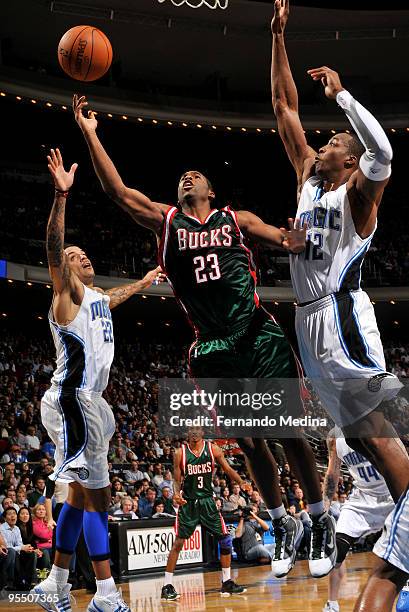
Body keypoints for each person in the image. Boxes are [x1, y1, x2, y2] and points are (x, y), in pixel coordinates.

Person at [73, 93, 336, 580]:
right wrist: (91, 134)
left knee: (287, 430)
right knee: (252, 443)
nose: (186, 176)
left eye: (195, 175)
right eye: (182, 177)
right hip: (212, 347)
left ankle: (319, 520)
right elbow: (119, 193)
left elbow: (287, 240)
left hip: (255, 332)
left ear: (211, 191)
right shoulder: (167, 221)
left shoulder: (237, 219)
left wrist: (302, 232)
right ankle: (284, 525)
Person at [271, 0, 409, 501]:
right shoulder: (309, 179)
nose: (321, 145)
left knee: (371, 424)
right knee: (355, 434)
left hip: (341, 312)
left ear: (349, 160)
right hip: (307, 322)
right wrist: (278, 38)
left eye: (331, 142)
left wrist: (343, 96)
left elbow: (385, 153)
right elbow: (285, 108)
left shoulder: (358, 198)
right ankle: (403, 514)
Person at [32, 147, 165, 612]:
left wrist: (147, 280)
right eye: (74, 254)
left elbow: (114, 297)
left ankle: (55, 585)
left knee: (76, 496)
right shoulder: (66, 294)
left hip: (89, 402)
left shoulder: (95, 298)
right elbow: (52, 245)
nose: (79, 254)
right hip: (73, 399)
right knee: (98, 499)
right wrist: (60, 196)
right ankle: (105, 595)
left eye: (81, 251)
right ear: (63, 269)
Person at [161, 427, 248, 600]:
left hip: (208, 501)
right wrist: (176, 494)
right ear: (187, 433)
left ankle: (227, 582)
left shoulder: (213, 448)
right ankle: (167, 586)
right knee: (178, 543)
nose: (194, 432)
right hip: (189, 503)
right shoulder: (180, 453)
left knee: (225, 538)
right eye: (191, 429)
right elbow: (177, 481)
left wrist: (241, 481)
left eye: (197, 429)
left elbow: (228, 468)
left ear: (202, 432)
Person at [322, 428, 394, 612]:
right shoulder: (334, 436)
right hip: (362, 498)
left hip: (392, 490)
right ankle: (332, 604)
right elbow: (332, 473)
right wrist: (324, 509)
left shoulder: (376, 421)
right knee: (335, 552)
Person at [17, 507, 43, 590]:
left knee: (44, 553)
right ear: (18, 516)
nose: (25, 516)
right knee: (33, 555)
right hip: (21, 550)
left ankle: (44, 579)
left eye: (27, 514)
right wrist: (34, 550)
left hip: (30, 549)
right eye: (22, 514)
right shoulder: (17, 527)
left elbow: (33, 542)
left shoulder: (30, 526)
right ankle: (32, 581)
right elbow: (21, 543)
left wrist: (37, 549)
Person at [32, 504, 53, 570]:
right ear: (35, 512)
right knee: (47, 551)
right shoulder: (33, 523)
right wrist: (50, 530)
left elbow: (52, 536)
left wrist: (49, 532)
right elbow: (44, 535)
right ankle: (47, 573)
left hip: (50, 545)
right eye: (39, 509)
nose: (41, 511)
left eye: (43, 510)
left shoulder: (46, 522)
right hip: (40, 547)